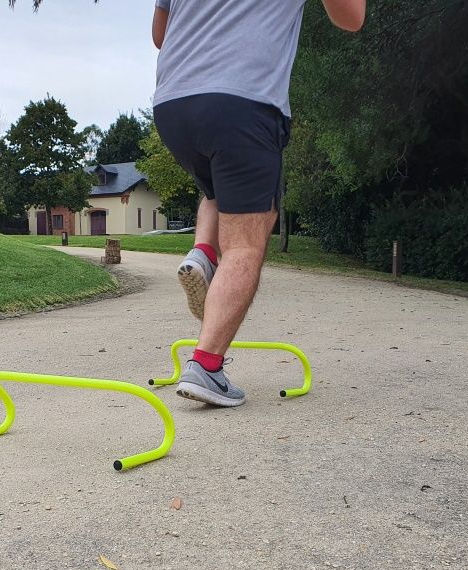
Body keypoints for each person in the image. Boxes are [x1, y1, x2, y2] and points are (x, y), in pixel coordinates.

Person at [151, 0, 366, 407]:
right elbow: (351, 17)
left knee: (219, 192)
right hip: (243, 101)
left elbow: (160, 35)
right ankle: (206, 367)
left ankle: (202, 252)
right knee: (247, 240)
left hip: (173, 104)